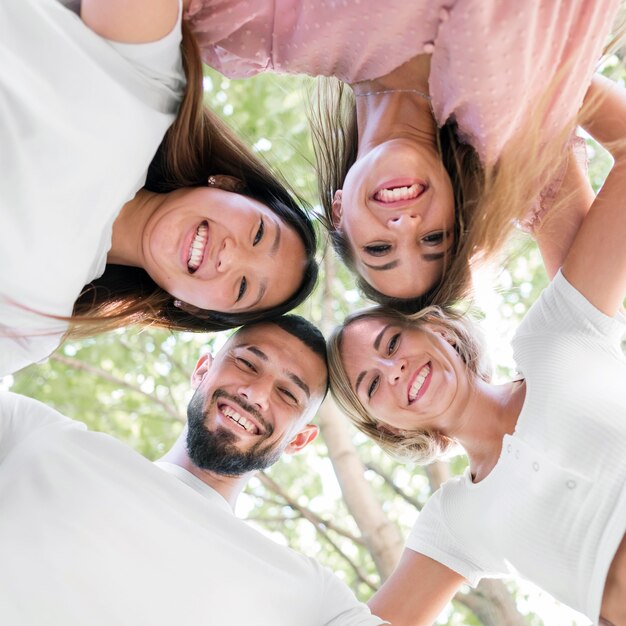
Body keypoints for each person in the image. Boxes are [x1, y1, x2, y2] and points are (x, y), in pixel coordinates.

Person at [326, 75, 626, 625]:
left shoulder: (555, 339)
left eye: (392, 343)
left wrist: (548, 79)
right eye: (372, 386)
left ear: (439, 332)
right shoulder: (454, 524)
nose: (394, 371)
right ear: (387, 427)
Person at [185, 0, 620, 311]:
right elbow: (580, 320)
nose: (405, 225)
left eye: (379, 247)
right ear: (456, 207)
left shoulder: (261, 28)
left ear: (338, 211)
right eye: (434, 238)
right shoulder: (509, 122)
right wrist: (551, 88)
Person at [0, 314, 386, 626]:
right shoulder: (36, 434)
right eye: (248, 363)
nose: (256, 394)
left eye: (288, 394)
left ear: (299, 440)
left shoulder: (309, 595)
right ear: (202, 370)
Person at [0, 0, 318, 378]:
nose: (228, 257)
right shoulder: (149, 88)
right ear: (230, 185)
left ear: (193, 308)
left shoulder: (36, 325)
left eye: (243, 287)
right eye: (259, 233)